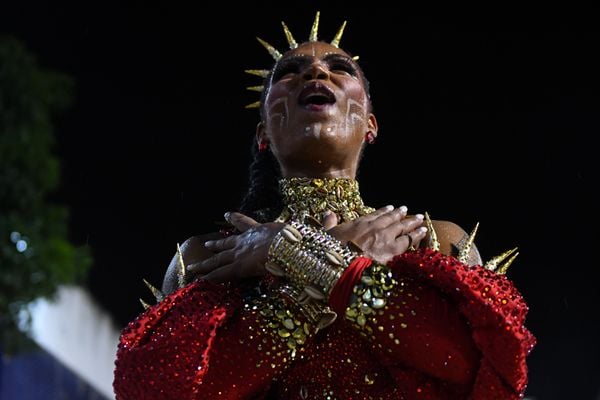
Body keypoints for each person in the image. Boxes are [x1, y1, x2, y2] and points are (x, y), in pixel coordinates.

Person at [113, 12, 535, 400]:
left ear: (371, 123)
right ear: (263, 131)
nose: (316, 71)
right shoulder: (213, 258)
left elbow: (483, 372)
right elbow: (165, 390)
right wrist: (329, 268)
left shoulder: (433, 241)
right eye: (290, 73)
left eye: (340, 68)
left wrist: (295, 254)